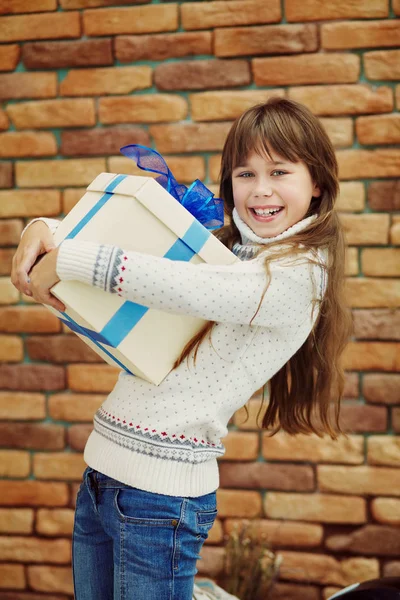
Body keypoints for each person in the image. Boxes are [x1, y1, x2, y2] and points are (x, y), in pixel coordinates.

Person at [11, 97, 352, 600]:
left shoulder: (299, 277)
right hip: (104, 478)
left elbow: (185, 285)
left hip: (160, 500)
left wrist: (70, 257)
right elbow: (151, 251)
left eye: (279, 172)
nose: (260, 191)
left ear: (317, 182)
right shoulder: (237, 253)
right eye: (244, 173)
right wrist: (43, 230)